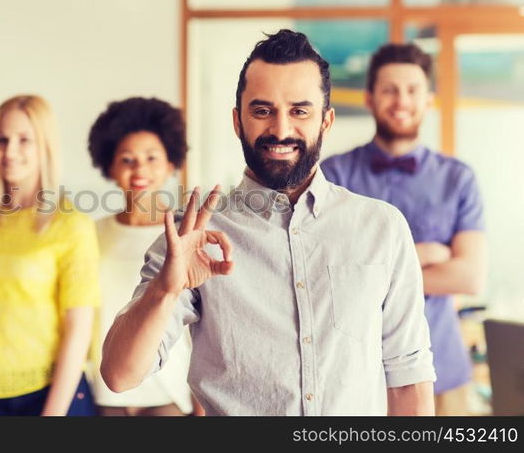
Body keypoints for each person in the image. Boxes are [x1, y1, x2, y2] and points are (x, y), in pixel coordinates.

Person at [101, 30, 436, 416]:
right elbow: (120, 375)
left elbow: (408, 378)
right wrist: (165, 290)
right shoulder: (191, 237)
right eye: (262, 111)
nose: (280, 130)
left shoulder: (382, 228)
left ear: (326, 121)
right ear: (237, 121)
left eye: (299, 111)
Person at [321, 43, 488, 415]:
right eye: (389, 89)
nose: (401, 100)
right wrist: (429, 254)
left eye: (412, 90)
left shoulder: (458, 179)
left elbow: (470, 276)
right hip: (355, 378)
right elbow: (331, 275)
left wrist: (374, 272)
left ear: (428, 99)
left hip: (443, 373)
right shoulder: (333, 176)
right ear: (369, 98)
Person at [0, 95, 100, 416]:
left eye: (24, 140)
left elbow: (79, 328)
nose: (9, 151)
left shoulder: (71, 224)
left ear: (45, 146)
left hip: (53, 397)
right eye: (1, 139)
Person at [87, 97, 195, 416]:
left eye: (151, 158)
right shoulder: (90, 234)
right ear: (110, 167)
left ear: (171, 164)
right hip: (104, 392)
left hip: (169, 390)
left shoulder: (184, 233)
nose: (139, 170)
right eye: (127, 160)